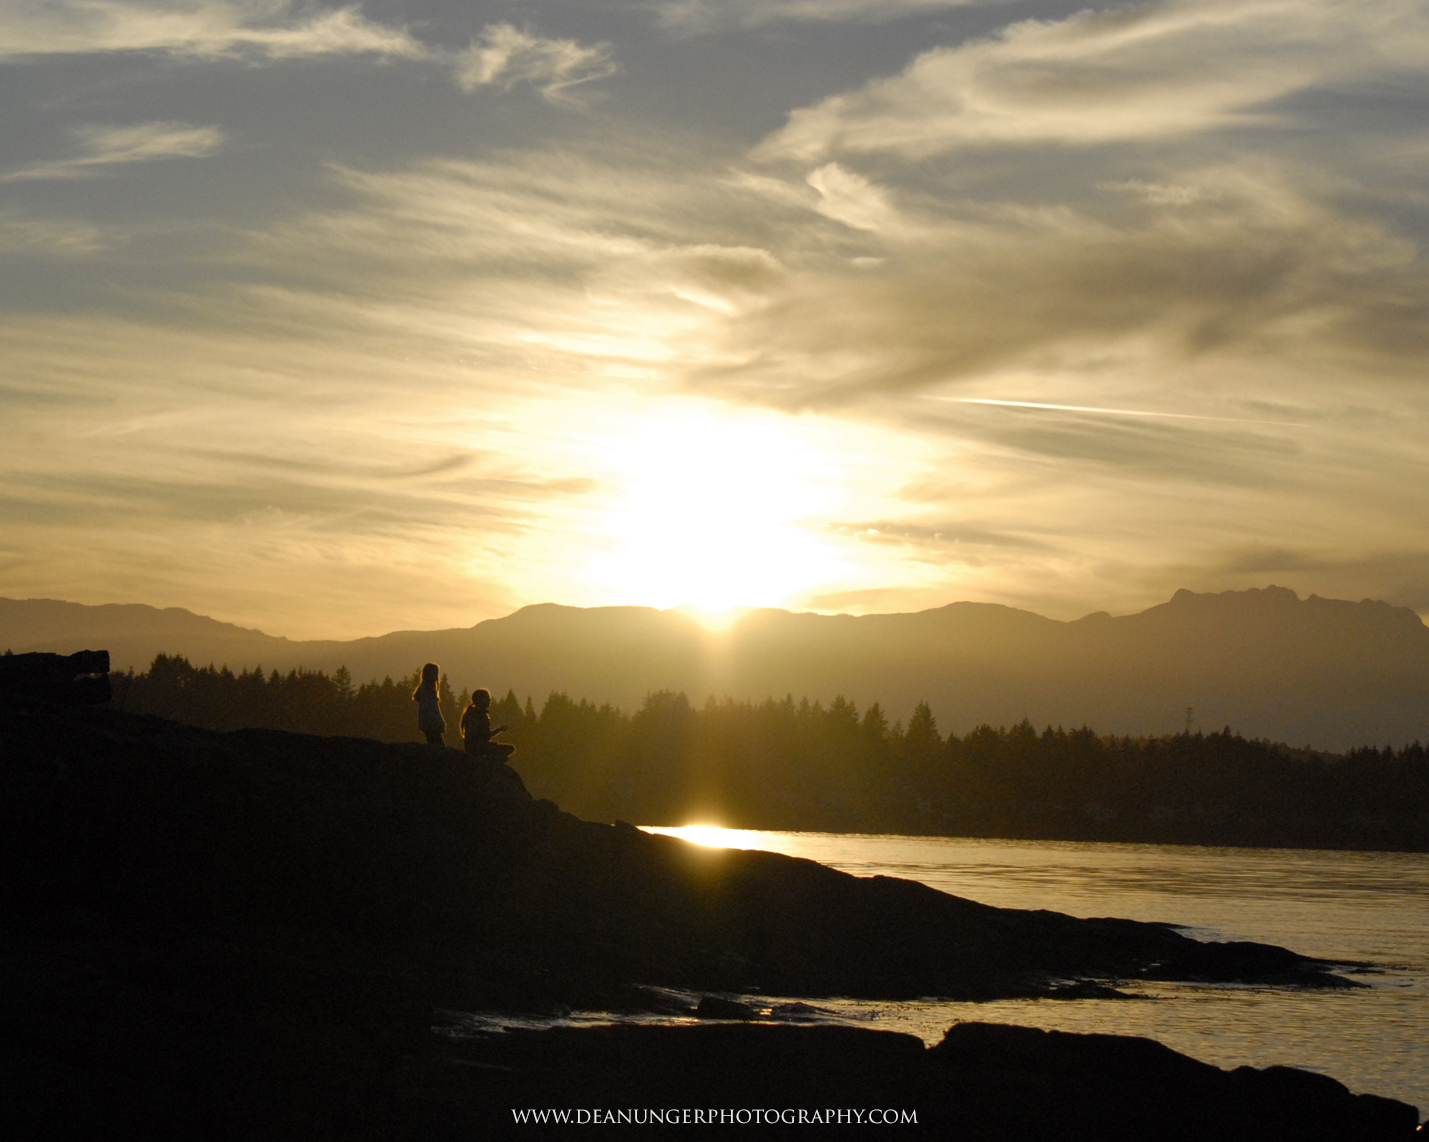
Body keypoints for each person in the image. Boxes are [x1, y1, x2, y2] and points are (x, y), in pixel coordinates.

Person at [461, 688, 515, 762]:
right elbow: (473, 736)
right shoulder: (475, 714)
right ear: (479, 700)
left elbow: (486, 734)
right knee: (508, 750)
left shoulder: (478, 713)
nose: (489, 700)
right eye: (487, 698)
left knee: (509, 750)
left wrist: (499, 729)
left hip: (480, 746)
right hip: (478, 748)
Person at [413, 663, 446, 746]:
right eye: (434, 673)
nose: (436, 676)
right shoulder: (428, 691)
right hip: (431, 724)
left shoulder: (424, 689)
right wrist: (439, 722)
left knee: (434, 744)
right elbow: (433, 709)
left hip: (427, 723)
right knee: (439, 747)